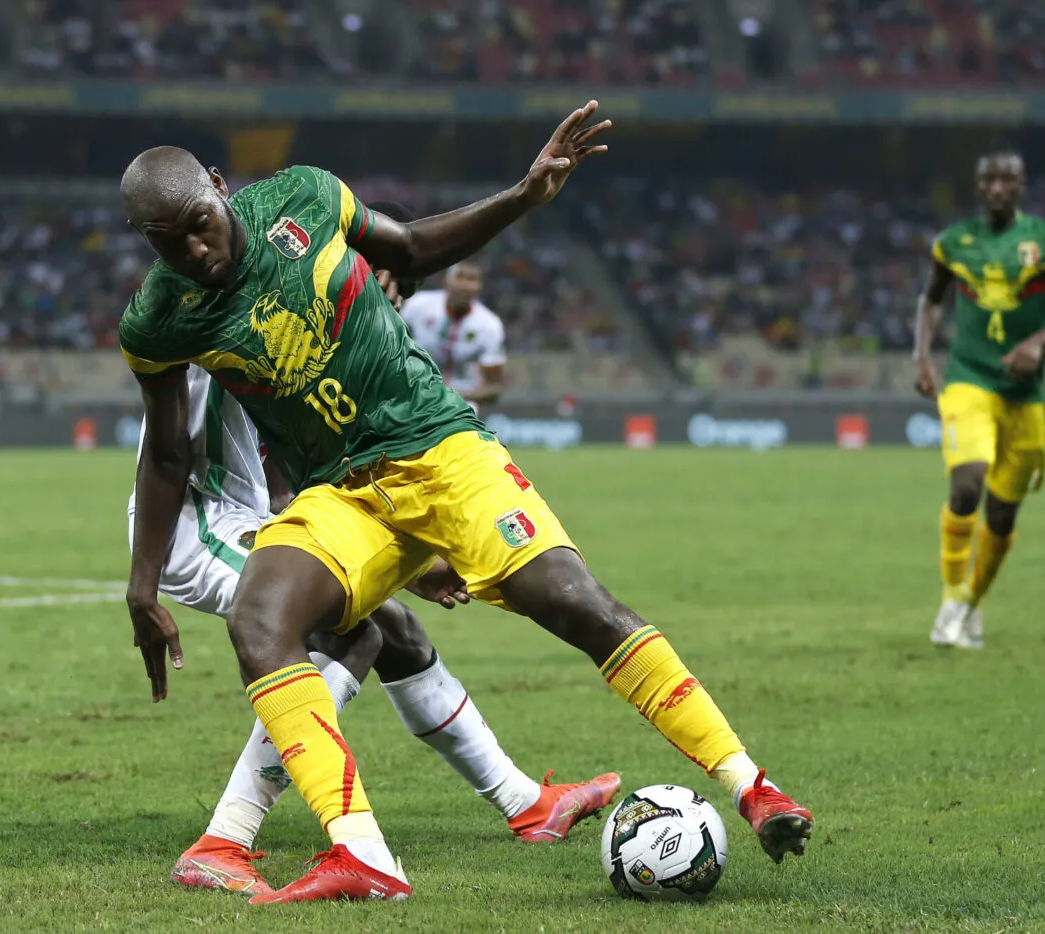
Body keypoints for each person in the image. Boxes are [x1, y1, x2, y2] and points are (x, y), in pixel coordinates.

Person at [119, 101, 813, 905]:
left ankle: (753, 787)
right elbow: (169, 451)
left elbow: (409, 247)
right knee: (263, 619)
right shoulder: (158, 319)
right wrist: (141, 587)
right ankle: (364, 856)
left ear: (218, 185)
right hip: (345, 492)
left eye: (200, 224)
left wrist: (522, 194)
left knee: (576, 604)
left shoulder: (303, 197)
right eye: (170, 242)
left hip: (440, 450)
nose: (194, 249)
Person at [126, 205, 619, 899]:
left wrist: (400, 562)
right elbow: (178, 456)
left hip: (253, 506)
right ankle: (223, 840)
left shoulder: (283, 304)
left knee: (398, 633)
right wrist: (141, 588)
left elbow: (312, 459)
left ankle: (526, 804)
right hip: (197, 519)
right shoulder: (213, 307)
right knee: (354, 633)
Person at [912, 149, 1045, 649]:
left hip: (1024, 394)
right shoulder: (954, 243)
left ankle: (971, 605)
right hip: (968, 378)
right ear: (979, 187)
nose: (998, 187)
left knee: (1001, 515)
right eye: (989, 179)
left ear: (1021, 186)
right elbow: (931, 299)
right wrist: (922, 356)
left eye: (1008, 179)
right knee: (967, 485)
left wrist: (1039, 343)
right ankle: (952, 601)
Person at [401, 261, 506, 409]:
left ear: (479, 287)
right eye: (460, 277)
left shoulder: (489, 325)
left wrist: (449, 394)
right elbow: (391, 341)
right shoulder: (418, 305)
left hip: (461, 401)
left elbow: (495, 387)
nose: (465, 285)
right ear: (447, 280)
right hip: (413, 391)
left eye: (472, 280)